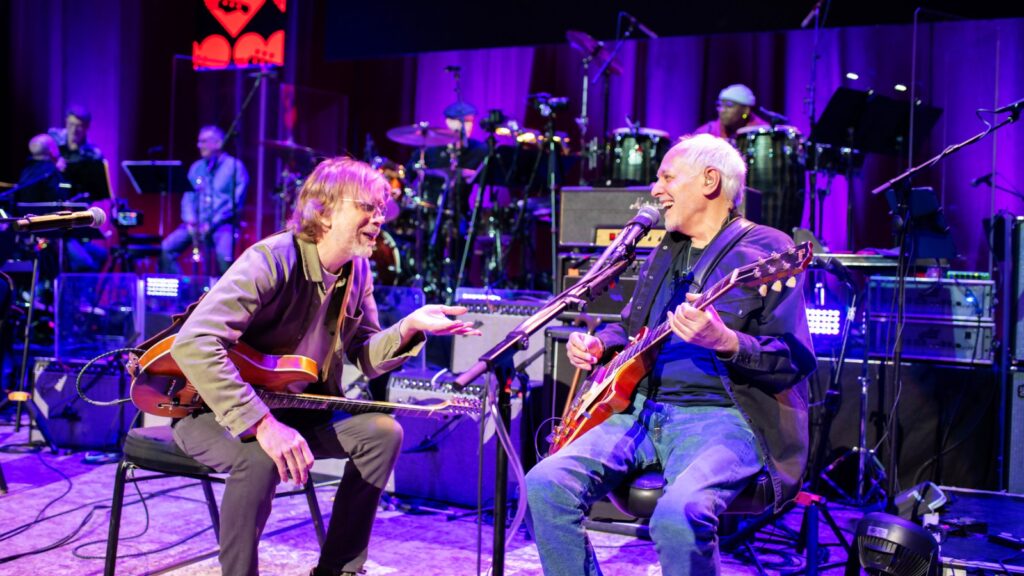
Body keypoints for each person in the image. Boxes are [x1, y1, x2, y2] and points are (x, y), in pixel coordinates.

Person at [169, 156, 482, 576]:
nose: (379, 218)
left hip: (295, 407)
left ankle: (338, 570)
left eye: (381, 209)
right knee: (261, 457)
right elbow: (195, 343)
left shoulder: (358, 270)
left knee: (381, 433)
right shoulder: (270, 259)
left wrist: (409, 326)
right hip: (210, 410)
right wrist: (263, 425)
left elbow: (365, 356)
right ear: (325, 210)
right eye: (367, 207)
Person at [525, 134, 816, 575]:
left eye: (666, 178)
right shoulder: (666, 249)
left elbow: (794, 359)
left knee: (678, 515)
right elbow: (631, 328)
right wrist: (600, 343)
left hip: (723, 418)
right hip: (642, 410)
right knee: (545, 483)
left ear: (709, 181)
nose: (655, 189)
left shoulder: (767, 250)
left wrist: (727, 341)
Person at [161, 125, 248, 275]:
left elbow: (235, 202)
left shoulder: (235, 167)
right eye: (199, 141)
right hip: (195, 224)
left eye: (204, 141)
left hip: (222, 225)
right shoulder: (196, 167)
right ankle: (184, 287)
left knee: (224, 258)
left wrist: (212, 223)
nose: (199, 145)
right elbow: (188, 197)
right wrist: (190, 220)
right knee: (166, 248)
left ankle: (224, 289)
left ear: (218, 143)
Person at [694, 84, 769, 143]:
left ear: (746, 110)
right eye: (720, 105)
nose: (722, 110)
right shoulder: (707, 132)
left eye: (729, 105)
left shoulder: (763, 132)